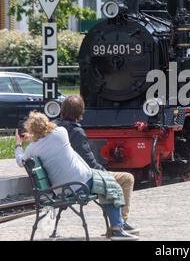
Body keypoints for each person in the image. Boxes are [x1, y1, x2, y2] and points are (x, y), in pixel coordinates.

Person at [15, 112, 138, 241]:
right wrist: (35, 134)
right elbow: (52, 127)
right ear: (46, 123)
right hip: (80, 183)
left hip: (63, 188)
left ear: (31, 130)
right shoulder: (60, 133)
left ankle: (118, 225)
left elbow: (20, 160)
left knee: (107, 183)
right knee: (111, 185)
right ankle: (117, 229)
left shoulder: (32, 148)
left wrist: (19, 143)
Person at [55, 95, 139, 235]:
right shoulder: (76, 132)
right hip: (78, 180)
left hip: (59, 181)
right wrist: (104, 172)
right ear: (80, 112)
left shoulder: (55, 128)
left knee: (108, 180)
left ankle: (118, 223)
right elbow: (90, 163)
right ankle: (120, 223)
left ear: (62, 110)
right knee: (127, 178)